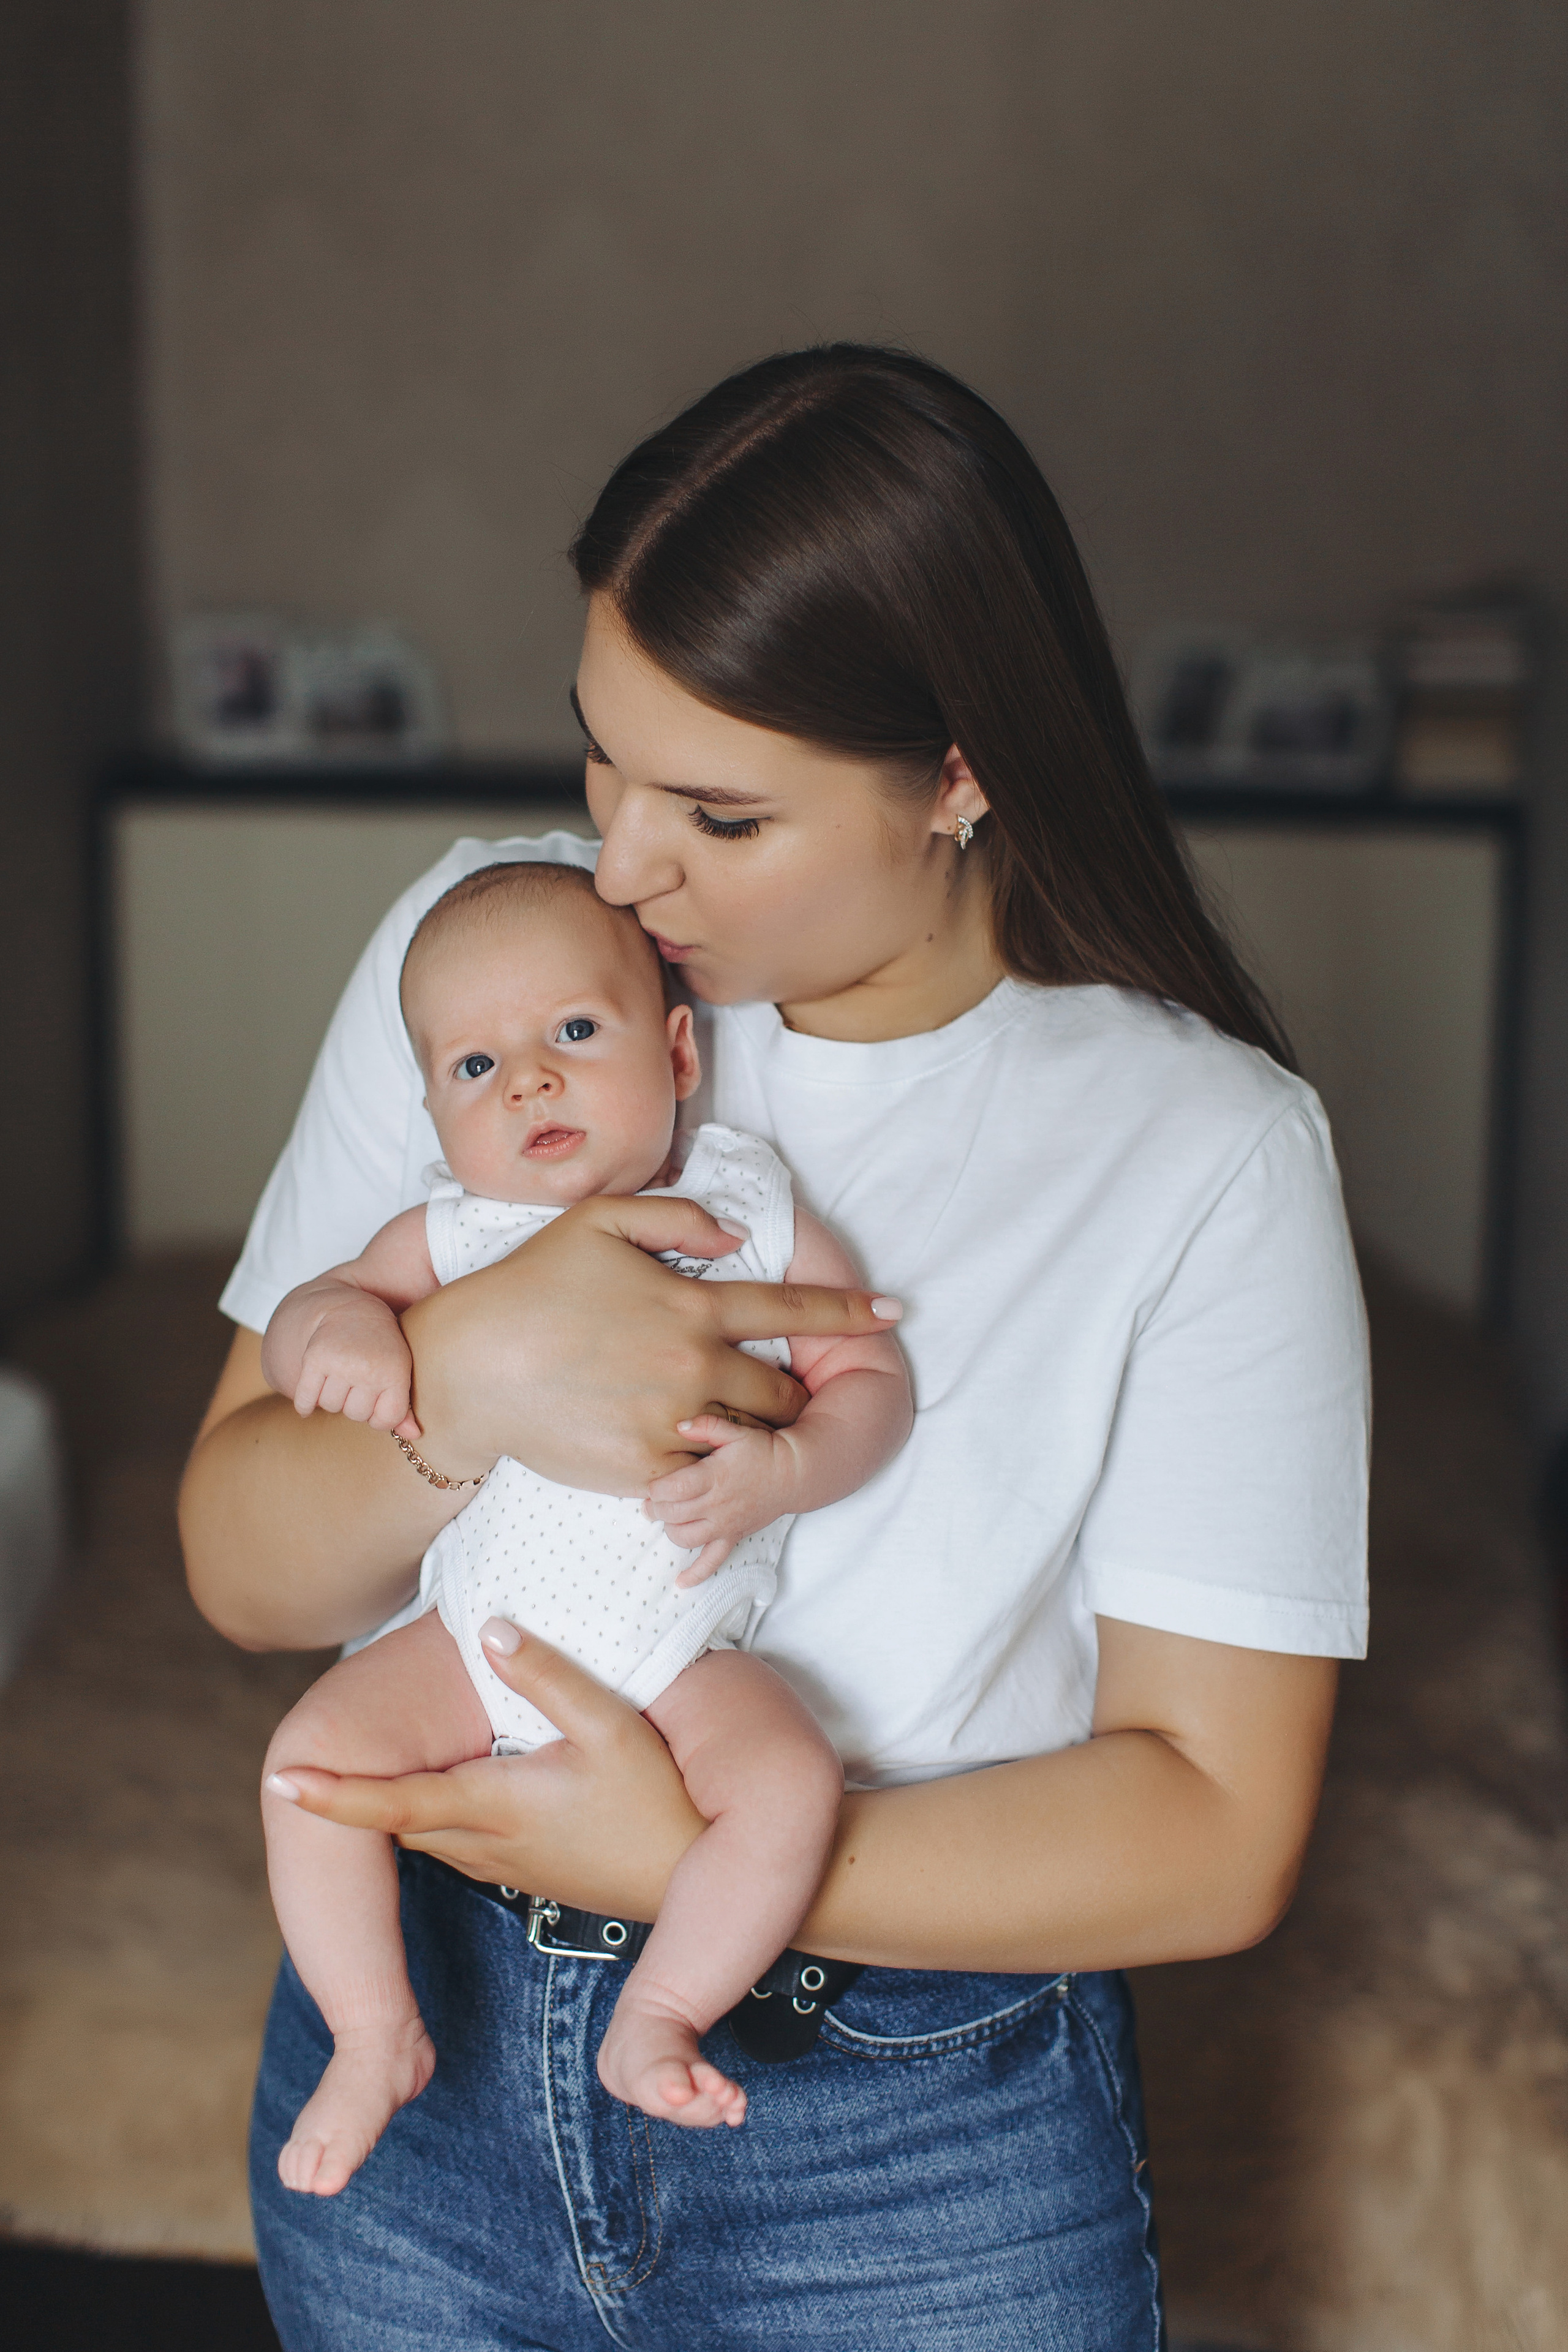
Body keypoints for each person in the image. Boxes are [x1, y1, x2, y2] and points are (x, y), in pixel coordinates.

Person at [181, 344, 1369, 2351]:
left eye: (720, 815)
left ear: (961, 769)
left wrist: (699, 1859)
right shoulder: (502, 965)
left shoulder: (1204, 1151)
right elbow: (237, 1561)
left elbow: (1214, 1829)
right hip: (421, 2073)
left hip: (904, 2164)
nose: (624, 874)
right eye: (600, 763)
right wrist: (465, 1372)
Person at [257, 859, 910, 2189]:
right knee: (308, 1765)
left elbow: (865, 1376)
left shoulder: (747, 1205)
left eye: (571, 1034)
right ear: (437, 1113)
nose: (528, 1084)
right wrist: (342, 1339)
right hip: (470, 1644)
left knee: (786, 1786)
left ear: (676, 1053)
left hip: (682, 1655)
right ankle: (375, 2031)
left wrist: (785, 1474)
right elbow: (310, 1311)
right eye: (475, 1066)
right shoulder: (457, 1230)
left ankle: (659, 2012)